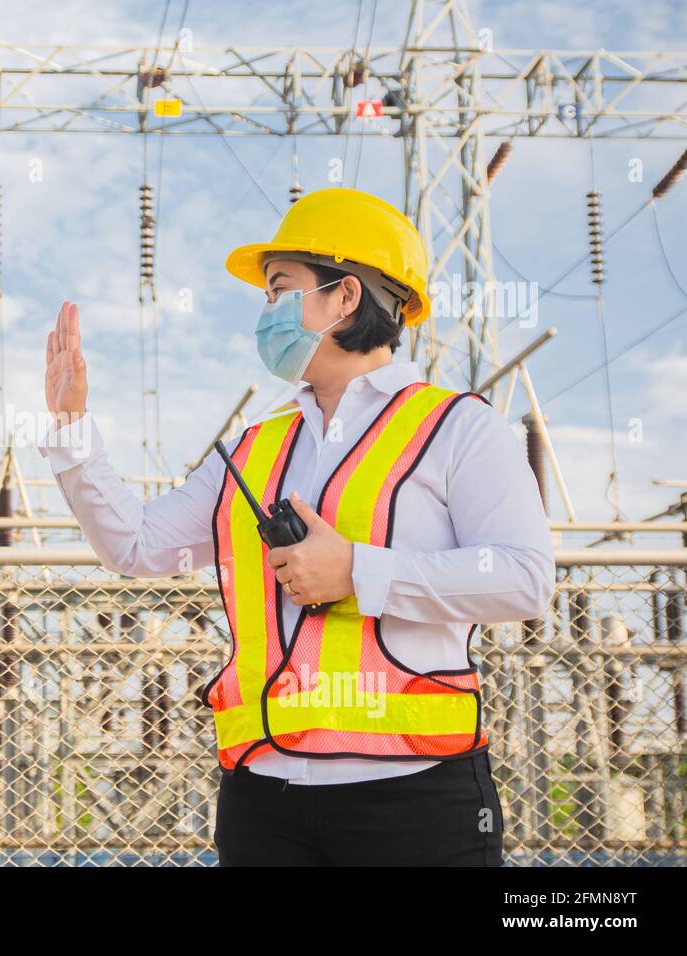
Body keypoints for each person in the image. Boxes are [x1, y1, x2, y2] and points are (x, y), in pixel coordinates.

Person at [39, 187, 554, 866]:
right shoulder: (255, 445)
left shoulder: (458, 426)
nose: (265, 312)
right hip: (263, 800)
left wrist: (359, 571)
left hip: (416, 801)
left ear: (345, 298)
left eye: (279, 289)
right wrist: (72, 430)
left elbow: (523, 579)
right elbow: (134, 547)